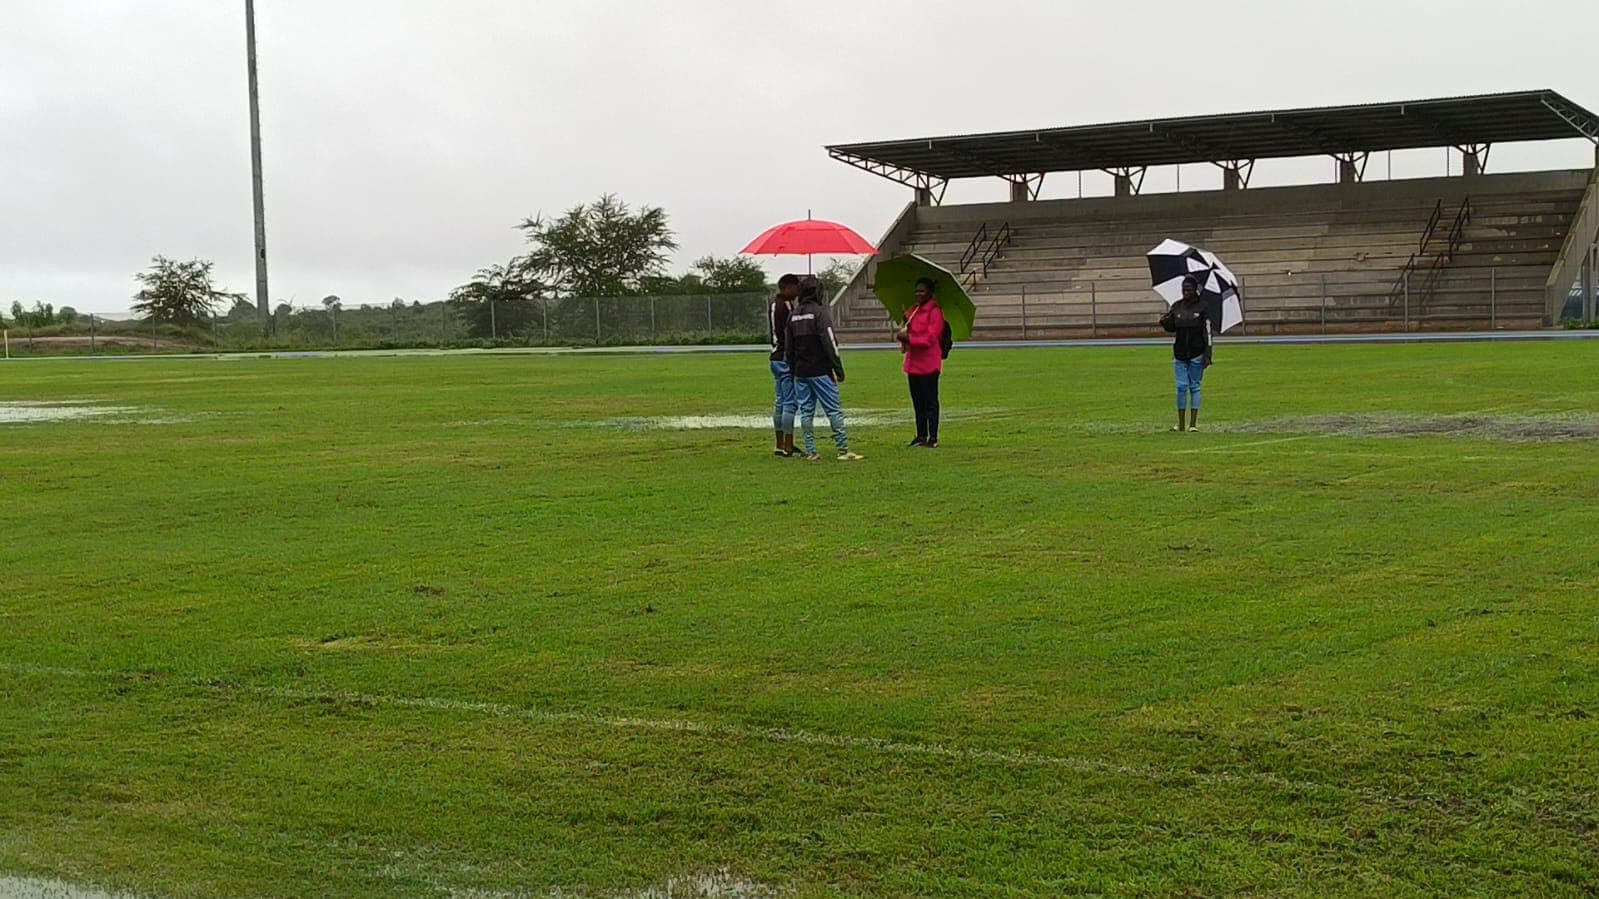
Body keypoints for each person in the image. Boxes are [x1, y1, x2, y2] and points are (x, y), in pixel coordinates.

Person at [785, 275, 863, 461]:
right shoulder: (820, 313)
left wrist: (793, 370)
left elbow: (789, 348)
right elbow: (830, 343)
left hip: (801, 372)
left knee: (806, 412)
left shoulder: (792, 315)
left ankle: (811, 451)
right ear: (817, 292)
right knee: (833, 410)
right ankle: (843, 450)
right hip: (820, 371)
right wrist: (838, 369)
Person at [895, 276, 946, 448]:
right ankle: (921, 435)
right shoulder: (914, 310)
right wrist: (905, 326)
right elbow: (910, 332)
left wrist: (908, 338)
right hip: (913, 364)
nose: (918, 293)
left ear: (930, 292)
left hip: (929, 364)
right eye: (917, 290)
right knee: (918, 403)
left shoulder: (935, 312)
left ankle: (933, 437)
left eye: (922, 290)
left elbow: (929, 339)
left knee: (930, 402)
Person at [1158, 275, 1214, 432]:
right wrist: (1165, 322)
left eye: (1189, 289)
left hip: (1197, 352)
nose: (1185, 292)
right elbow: (1172, 327)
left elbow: (1208, 333)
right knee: (1181, 387)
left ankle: (1193, 424)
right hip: (1180, 353)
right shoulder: (1177, 306)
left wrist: (1208, 355)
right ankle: (1181, 423)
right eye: (1183, 289)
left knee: (1194, 387)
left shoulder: (1203, 307)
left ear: (1195, 290)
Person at [768, 274, 801, 456]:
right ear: (788, 287)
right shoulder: (787, 305)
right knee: (790, 403)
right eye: (796, 287)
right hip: (785, 356)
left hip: (775, 355)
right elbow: (791, 332)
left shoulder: (774, 304)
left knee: (780, 402)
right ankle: (788, 445)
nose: (798, 291)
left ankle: (779, 444)